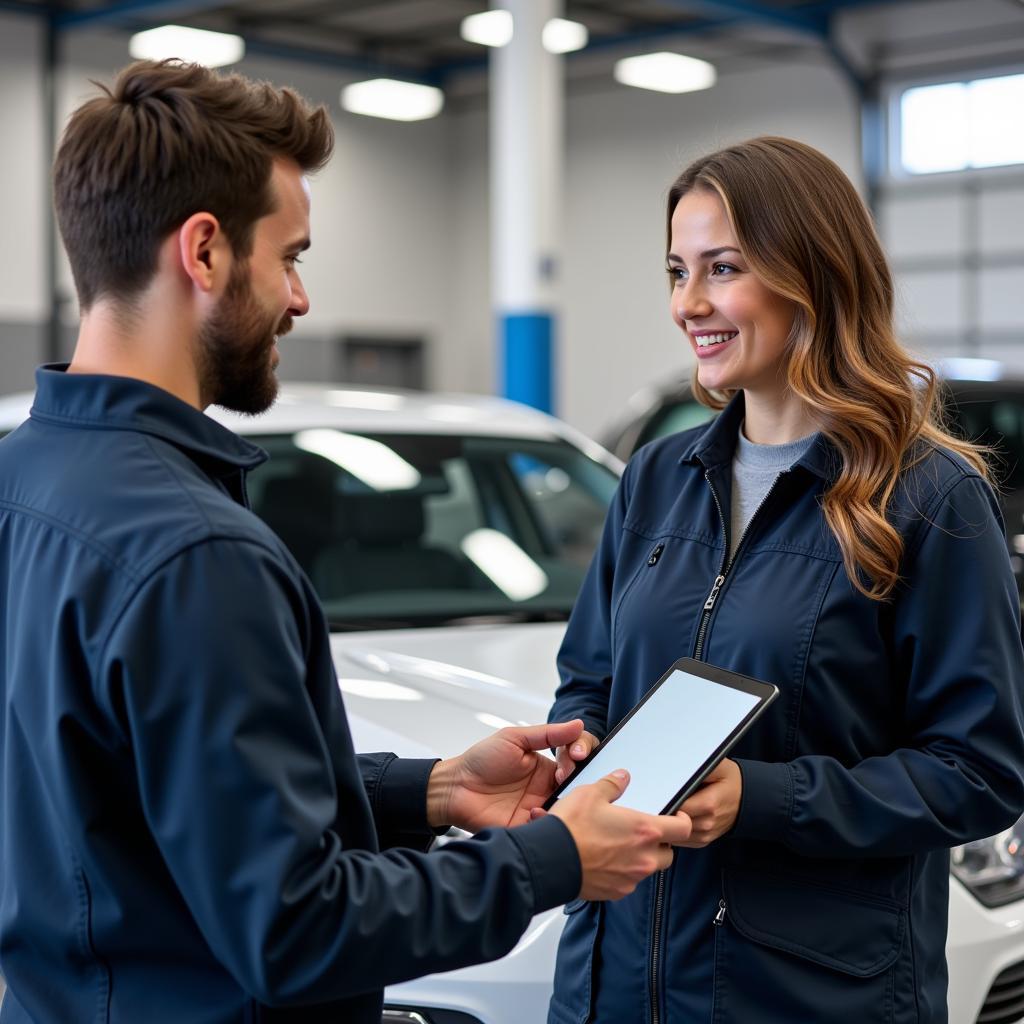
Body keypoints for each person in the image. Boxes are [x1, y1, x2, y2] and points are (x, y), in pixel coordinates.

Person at [0, 60, 693, 1024]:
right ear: (203, 253)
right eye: (291, 256)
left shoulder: (20, 478)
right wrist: (557, 857)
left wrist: (433, 790)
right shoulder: (198, 554)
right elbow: (296, 929)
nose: (300, 298)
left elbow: (135, 793)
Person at [546, 136, 1024, 1024]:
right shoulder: (657, 477)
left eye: (722, 269)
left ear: (814, 272)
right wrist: (581, 747)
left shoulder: (926, 496)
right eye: (676, 271)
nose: (689, 304)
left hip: (807, 992)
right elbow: (590, 678)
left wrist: (764, 797)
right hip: (617, 979)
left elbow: (979, 768)